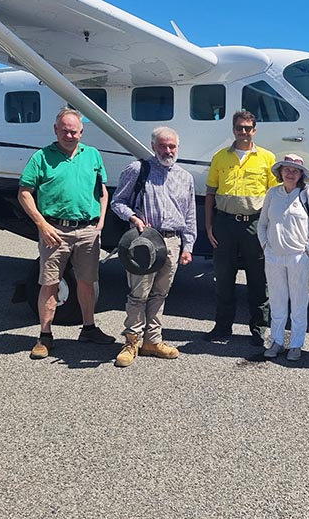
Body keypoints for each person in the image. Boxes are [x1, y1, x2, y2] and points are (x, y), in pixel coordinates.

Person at [18, 107, 114, 359]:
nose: (69, 135)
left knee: (87, 282)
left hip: (88, 230)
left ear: (82, 132)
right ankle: (45, 336)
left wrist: (101, 220)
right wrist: (42, 225)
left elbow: (101, 190)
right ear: (55, 130)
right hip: (55, 230)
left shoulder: (93, 155)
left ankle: (89, 328)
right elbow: (24, 193)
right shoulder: (41, 157)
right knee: (49, 284)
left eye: (74, 131)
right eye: (65, 131)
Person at [110, 126, 197, 367]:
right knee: (139, 293)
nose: (167, 150)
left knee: (160, 293)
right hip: (144, 241)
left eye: (172, 146)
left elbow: (189, 215)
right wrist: (134, 218)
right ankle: (131, 341)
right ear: (153, 146)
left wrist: (188, 246)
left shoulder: (185, 177)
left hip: (172, 242)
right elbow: (118, 202)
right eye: (162, 145)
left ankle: (153, 341)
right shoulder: (138, 169)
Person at [204, 110, 277, 346]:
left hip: (254, 225)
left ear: (254, 130)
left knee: (258, 281)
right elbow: (210, 193)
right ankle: (222, 327)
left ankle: (259, 329)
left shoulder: (267, 158)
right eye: (239, 127)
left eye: (247, 128)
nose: (243, 132)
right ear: (233, 129)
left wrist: (270, 230)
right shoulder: (220, 157)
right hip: (224, 224)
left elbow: (274, 196)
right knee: (224, 278)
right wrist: (208, 225)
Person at [258, 154, 309, 361]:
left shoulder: (308, 194)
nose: (290, 173)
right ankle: (277, 341)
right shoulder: (272, 193)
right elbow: (262, 223)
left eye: (295, 170)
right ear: (280, 172)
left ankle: (296, 344)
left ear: (301, 174)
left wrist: (308, 250)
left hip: (299, 257)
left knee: (298, 302)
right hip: (274, 256)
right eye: (286, 169)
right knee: (277, 302)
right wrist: (265, 246)